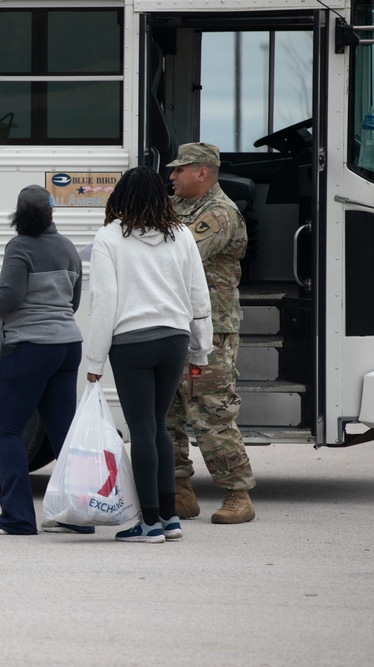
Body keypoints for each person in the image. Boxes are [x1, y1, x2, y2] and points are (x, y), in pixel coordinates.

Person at [87, 166, 213, 543]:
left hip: (132, 345)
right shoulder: (182, 234)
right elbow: (198, 294)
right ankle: (170, 518)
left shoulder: (109, 237)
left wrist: (94, 361)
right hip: (174, 340)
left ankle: (149, 523)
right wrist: (201, 351)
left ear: (121, 197)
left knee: (141, 430)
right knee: (158, 427)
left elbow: (104, 302)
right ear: (160, 197)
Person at [0, 186, 85, 536]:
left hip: (31, 348)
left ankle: (18, 518)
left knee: (7, 430)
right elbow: (74, 301)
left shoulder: (19, 247)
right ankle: (79, 518)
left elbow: (9, 297)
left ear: (18, 216)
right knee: (62, 434)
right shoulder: (69, 248)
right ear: (52, 215)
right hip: (67, 346)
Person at [166, 142, 257, 524]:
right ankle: (179, 492)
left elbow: (176, 251)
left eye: (178, 170)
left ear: (202, 172)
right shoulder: (176, 208)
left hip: (212, 328)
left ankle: (238, 495)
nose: (171, 176)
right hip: (172, 320)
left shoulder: (219, 213)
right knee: (168, 411)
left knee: (211, 412)